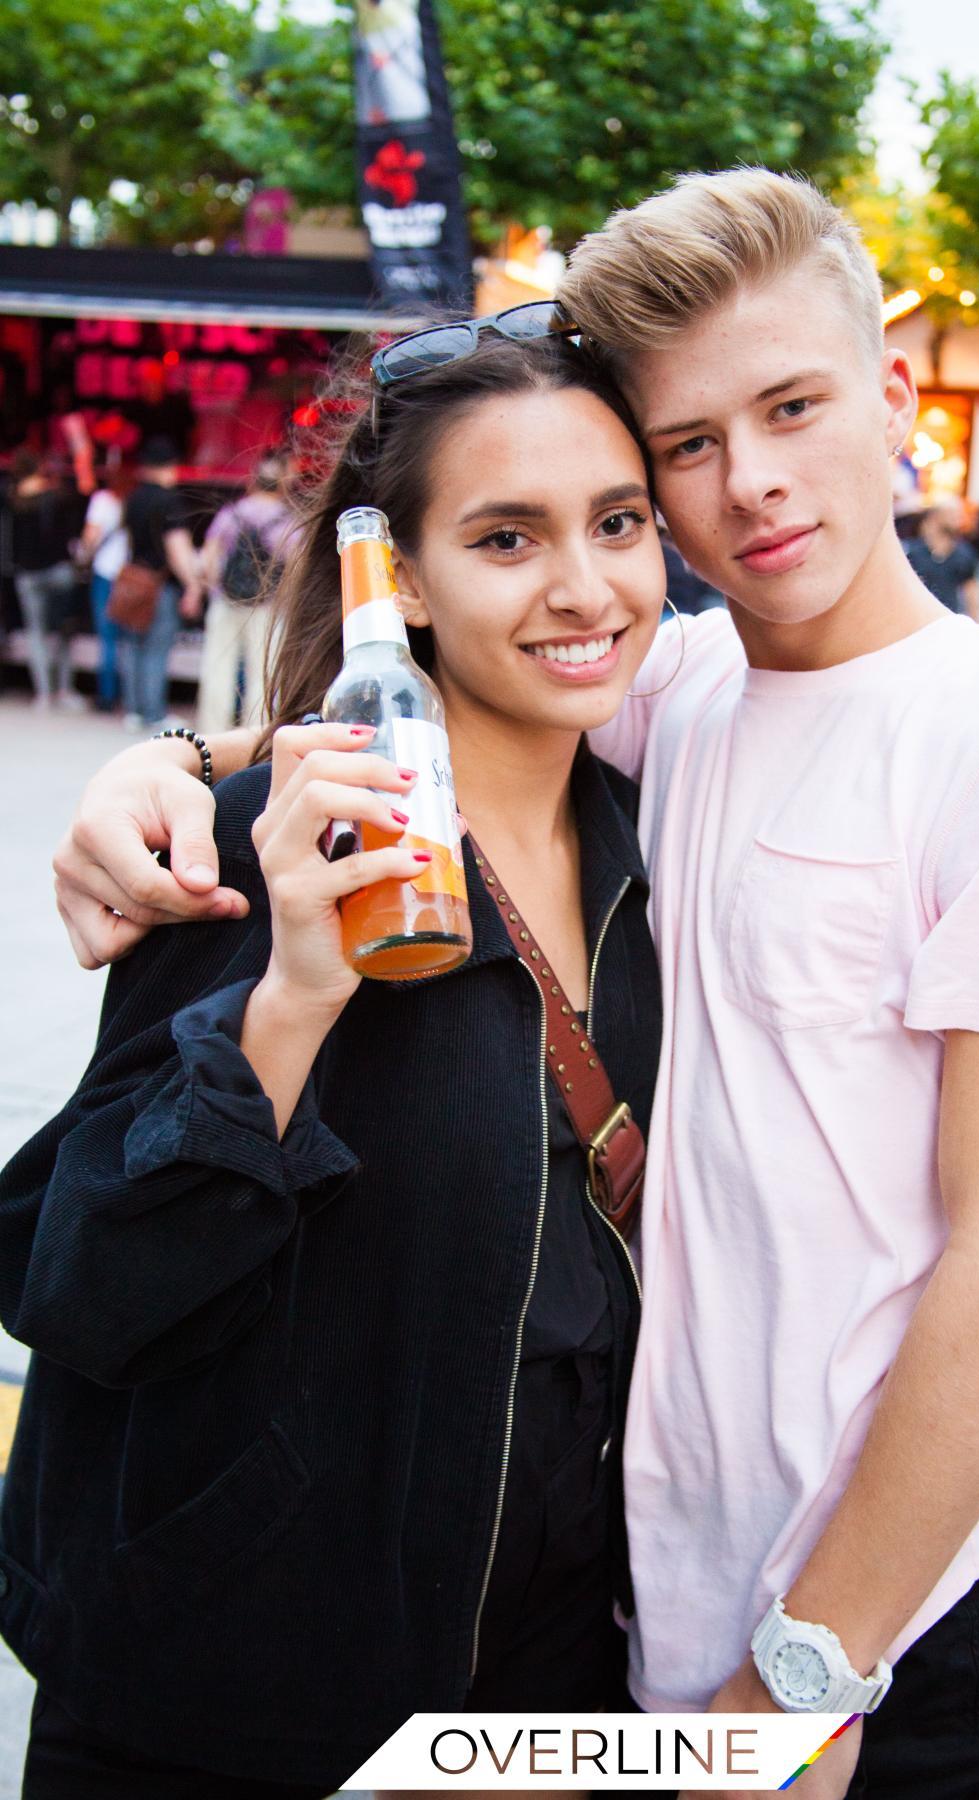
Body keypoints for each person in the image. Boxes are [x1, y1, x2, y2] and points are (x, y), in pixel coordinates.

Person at [50, 170, 979, 1800]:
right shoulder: (676, 688)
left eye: (792, 408)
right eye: (688, 449)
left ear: (896, 399)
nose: (750, 486)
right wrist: (159, 768)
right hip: (629, 1614)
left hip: (871, 1636)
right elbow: (462, 682)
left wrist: (808, 1680)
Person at [0, 329, 666, 1795]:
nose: (584, 586)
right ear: (405, 581)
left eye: (618, 523)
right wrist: (294, 995)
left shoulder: (651, 848)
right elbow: (86, 1284)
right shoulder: (260, 847)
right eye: (508, 537)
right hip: (228, 1701)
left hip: (536, 1697)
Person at [196, 450, 299, 735]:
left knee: (218, 667)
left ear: (254, 480)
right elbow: (295, 569)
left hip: (225, 601)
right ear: (283, 484)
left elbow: (208, 559)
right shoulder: (287, 523)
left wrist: (216, 587)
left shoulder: (232, 513)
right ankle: (255, 734)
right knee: (263, 674)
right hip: (267, 606)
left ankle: (213, 733)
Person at [118, 437, 203, 732]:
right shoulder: (169, 501)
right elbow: (177, 548)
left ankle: (133, 709)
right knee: (157, 648)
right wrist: (193, 584)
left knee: (133, 646)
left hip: (133, 580)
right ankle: (153, 712)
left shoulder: (133, 498)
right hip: (160, 584)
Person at [7, 449, 86, 711]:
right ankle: (64, 689)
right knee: (63, 632)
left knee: (37, 635)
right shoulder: (57, 496)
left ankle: (44, 693)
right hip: (58, 571)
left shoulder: (13, 500)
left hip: (28, 574)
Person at [78, 464, 131, 713]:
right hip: (130, 576)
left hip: (106, 573)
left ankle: (107, 695)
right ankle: (131, 695)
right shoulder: (132, 501)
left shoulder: (102, 501)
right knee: (129, 638)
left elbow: (91, 537)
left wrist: (82, 556)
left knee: (107, 637)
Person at [903, 500, 979, 619]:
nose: (957, 518)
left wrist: (975, 622)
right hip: (917, 619)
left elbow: (971, 593)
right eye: (952, 513)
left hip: (948, 620)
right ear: (936, 516)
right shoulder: (913, 552)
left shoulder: (964, 554)